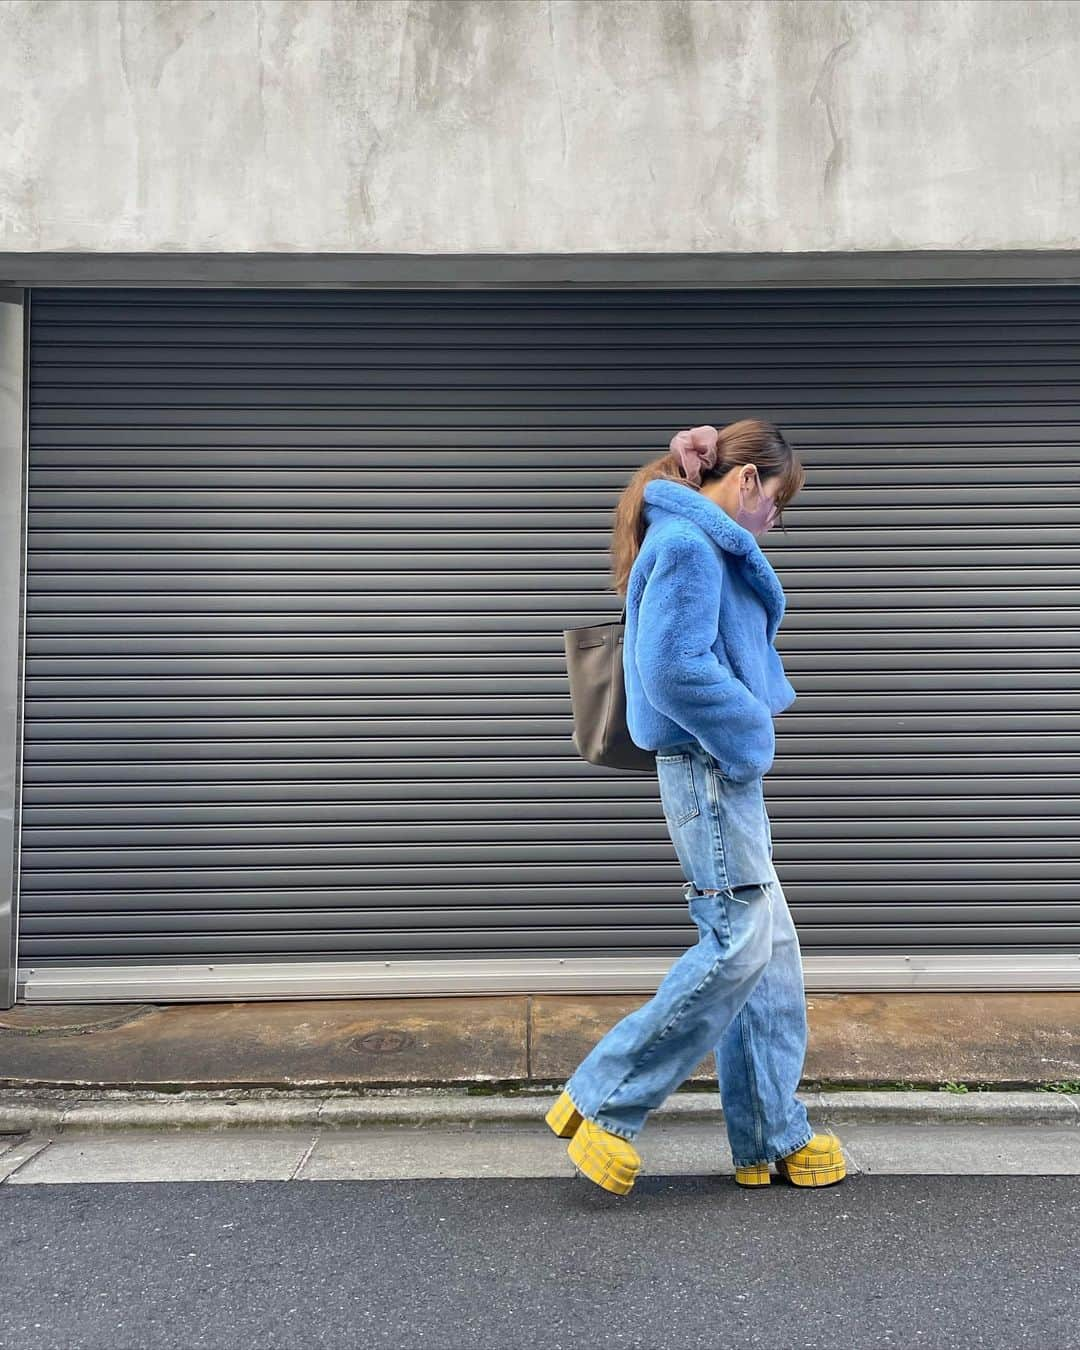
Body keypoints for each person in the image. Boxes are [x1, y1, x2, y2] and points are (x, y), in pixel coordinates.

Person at [545, 418, 846, 1196]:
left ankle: (770, 1136)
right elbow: (673, 668)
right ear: (745, 481)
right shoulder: (689, 546)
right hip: (709, 766)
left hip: (723, 771)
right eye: (778, 502)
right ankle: (602, 1100)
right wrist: (749, 735)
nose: (777, 520)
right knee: (738, 944)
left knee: (771, 958)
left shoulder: (703, 542)